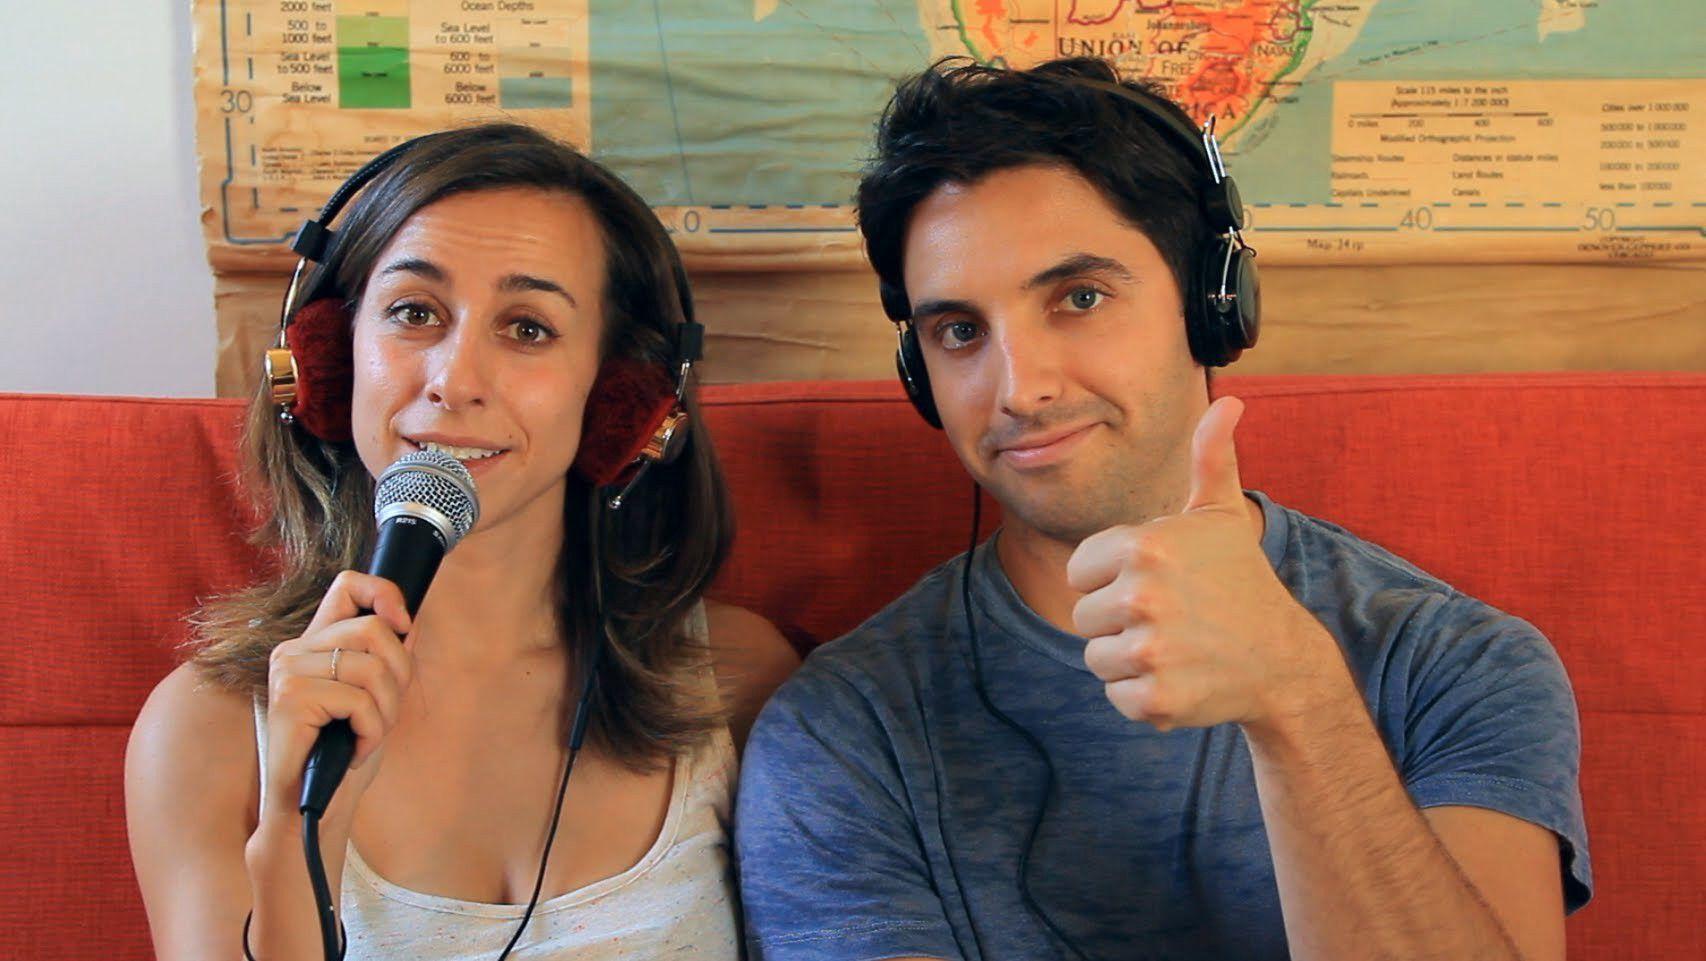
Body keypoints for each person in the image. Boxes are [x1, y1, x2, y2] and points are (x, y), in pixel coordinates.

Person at [736, 58, 1589, 961]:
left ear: (1211, 304)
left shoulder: (1457, 662)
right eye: (960, 331)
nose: (1019, 389)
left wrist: (1297, 697)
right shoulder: (838, 727)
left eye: (1080, 298)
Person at [126, 122, 798, 960]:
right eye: (415, 312)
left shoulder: (739, 683)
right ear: (329, 358)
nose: (456, 380)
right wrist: (303, 837)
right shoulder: (206, 730)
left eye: (528, 328)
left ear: (622, 401)